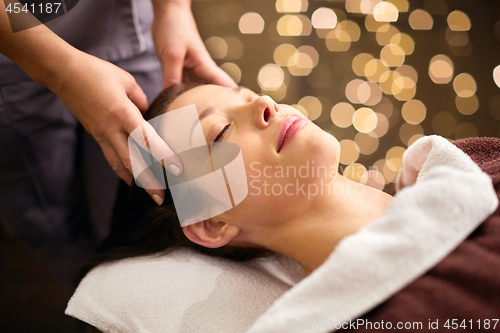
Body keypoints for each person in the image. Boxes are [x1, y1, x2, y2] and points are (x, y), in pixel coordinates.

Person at [0, 0, 236, 283]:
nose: (267, 102)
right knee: (45, 215)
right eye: (221, 132)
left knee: (132, 207)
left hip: (125, 26)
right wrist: (58, 69)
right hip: (9, 58)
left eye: (244, 95)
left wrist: (174, 9)